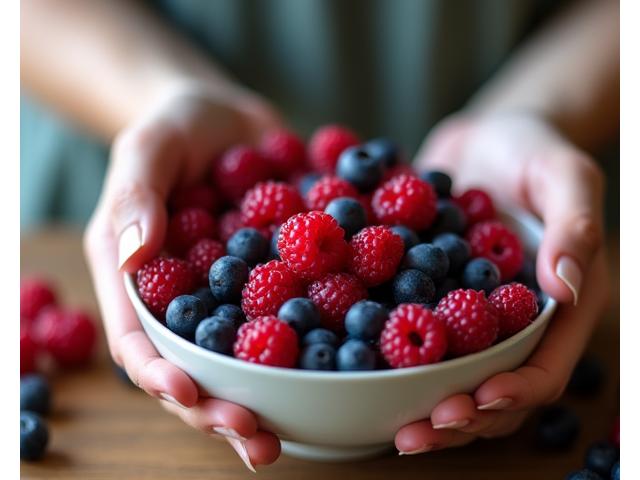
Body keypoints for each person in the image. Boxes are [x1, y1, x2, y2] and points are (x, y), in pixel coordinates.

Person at [21, 0, 618, 471]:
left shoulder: (406, 252)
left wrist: (540, 109)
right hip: (111, 101)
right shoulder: (236, 252)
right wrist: (162, 96)